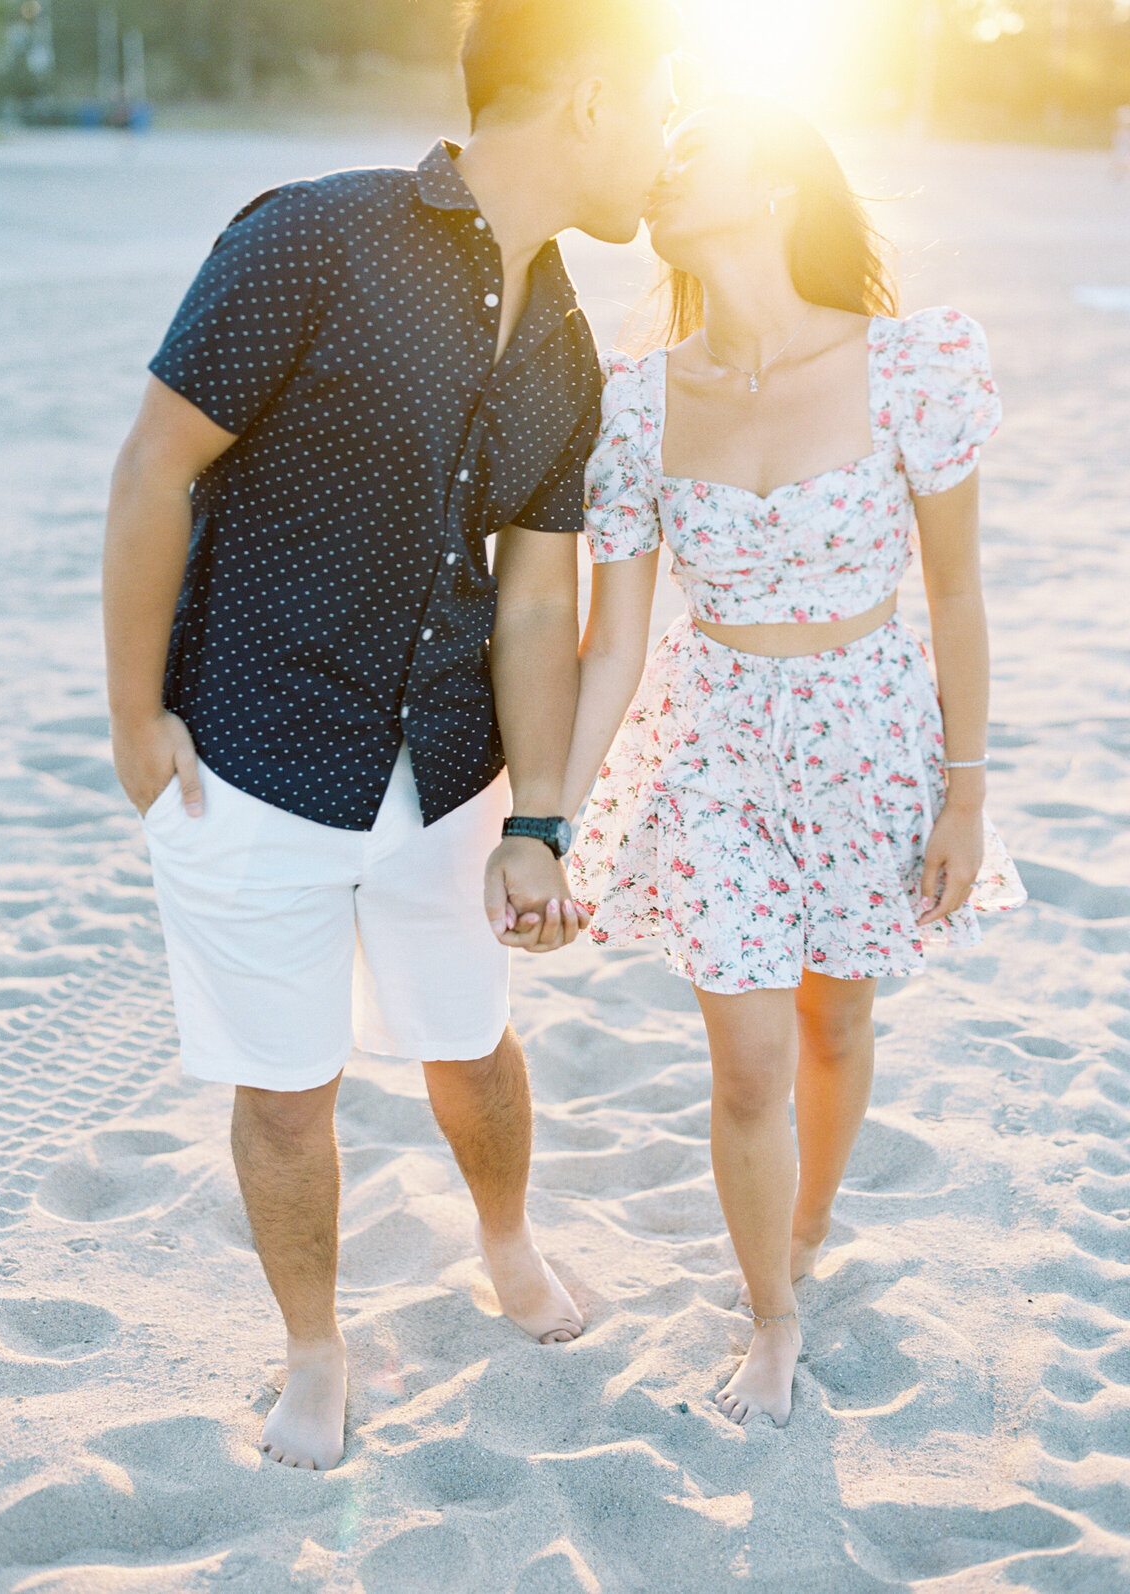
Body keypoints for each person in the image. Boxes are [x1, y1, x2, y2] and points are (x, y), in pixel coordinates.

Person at [103, 0, 679, 1470]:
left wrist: (541, 816)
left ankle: (506, 1246)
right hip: (245, 751)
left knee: (473, 1043)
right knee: (286, 1092)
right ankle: (315, 1347)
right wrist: (134, 719)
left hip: (447, 779)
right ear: (590, 94)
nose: (668, 138)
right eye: (660, 97)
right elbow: (158, 465)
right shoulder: (313, 237)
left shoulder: (566, 344)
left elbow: (538, 602)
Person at [561, 95, 1026, 1429]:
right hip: (719, 749)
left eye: (697, 154)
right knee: (751, 1060)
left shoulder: (912, 364)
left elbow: (958, 595)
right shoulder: (640, 401)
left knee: (841, 1017)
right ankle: (773, 1310)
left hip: (877, 738)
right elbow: (612, 646)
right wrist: (550, 813)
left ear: (774, 190)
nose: (665, 175)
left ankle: (811, 1218)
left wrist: (970, 788)